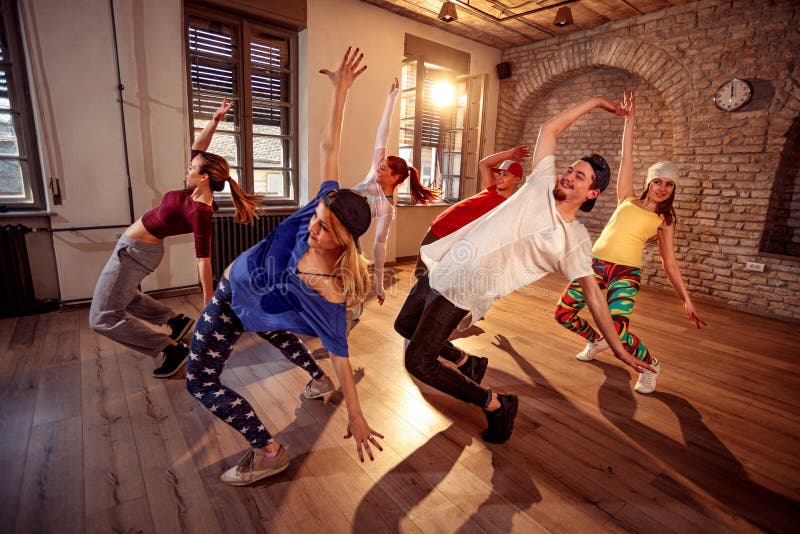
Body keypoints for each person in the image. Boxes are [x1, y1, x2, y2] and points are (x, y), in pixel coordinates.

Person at [395, 95, 657, 445]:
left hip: (465, 288)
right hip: (444, 267)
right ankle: (466, 363)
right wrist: (594, 102)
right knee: (404, 325)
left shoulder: (573, 238)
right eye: (570, 170)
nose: (569, 176)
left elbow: (594, 297)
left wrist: (619, 348)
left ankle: (496, 404)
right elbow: (550, 129)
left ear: (592, 192)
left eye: (580, 177)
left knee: (419, 361)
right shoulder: (539, 184)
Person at [186, 47, 384, 486]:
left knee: (199, 381)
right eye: (315, 220)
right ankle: (314, 380)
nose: (313, 229)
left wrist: (356, 414)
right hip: (260, 299)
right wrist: (341, 90)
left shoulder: (328, 292)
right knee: (275, 327)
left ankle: (268, 450)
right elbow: (328, 145)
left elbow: (343, 357)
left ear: (345, 244)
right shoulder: (325, 204)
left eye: (325, 230)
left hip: (233, 302)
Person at [89, 99, 259, 378]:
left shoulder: (200, 210)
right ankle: (175, 321)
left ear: (204, 178)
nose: (187, 169)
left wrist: (207, 303)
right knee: (125, 297)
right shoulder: (193, 192)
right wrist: (215, 121)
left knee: (102, 318)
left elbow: (203, 260)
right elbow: (199, 146)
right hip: (133, 249)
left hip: (136, 254)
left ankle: (170, 349)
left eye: (192, 168)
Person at [554, 91, 706, 394]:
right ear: (649, 182)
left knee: (620, 332)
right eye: (658, 181)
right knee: (563, 314)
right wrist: (630, 119)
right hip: (593, 264)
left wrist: (686, 299)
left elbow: (669, 263)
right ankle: (595, 339)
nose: (662, 188)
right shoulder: (627, 196)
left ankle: (650, 366)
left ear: (674, 189)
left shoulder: (665, 221)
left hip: (626, 273)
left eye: (669, 184)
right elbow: (626, 156)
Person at [408, 145, 531, 386]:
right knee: (425, 278)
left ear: (516, 179)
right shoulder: (491, 189)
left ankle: (430, 323)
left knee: (426, 279)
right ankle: (428, 320)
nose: (498, 177)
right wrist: (509, 155)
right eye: (499, 173)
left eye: (505, 174)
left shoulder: (509, 206)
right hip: (439, 231)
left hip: (449, 240)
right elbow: (484, 162)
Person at [353, 78, 438, 306]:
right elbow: (382, 135)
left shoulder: (386, 209)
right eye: (379, 165)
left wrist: (380, 284)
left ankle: (354, 308)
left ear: (395, 177)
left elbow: (379, 247)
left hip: (348, 233)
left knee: (354, 277)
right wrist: (392, 98)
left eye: (383, 168)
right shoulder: (374, 175)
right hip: (331, 208)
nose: (378, 167)